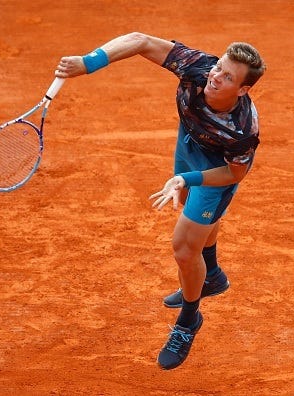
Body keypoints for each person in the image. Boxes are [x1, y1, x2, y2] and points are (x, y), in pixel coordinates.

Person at [54, 32, 266, 370]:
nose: (216, 77)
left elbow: (234, 174)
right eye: (219, 68)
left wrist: (188, 178)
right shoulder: (198, 66)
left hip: (217, 171)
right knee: (188, 209)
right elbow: (139, 41)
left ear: (243, 90)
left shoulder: (242, 130)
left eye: (228, 77)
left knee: (184, 248)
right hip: (189, 143)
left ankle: (188, 320)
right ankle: (211, 275)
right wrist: (87, 63)